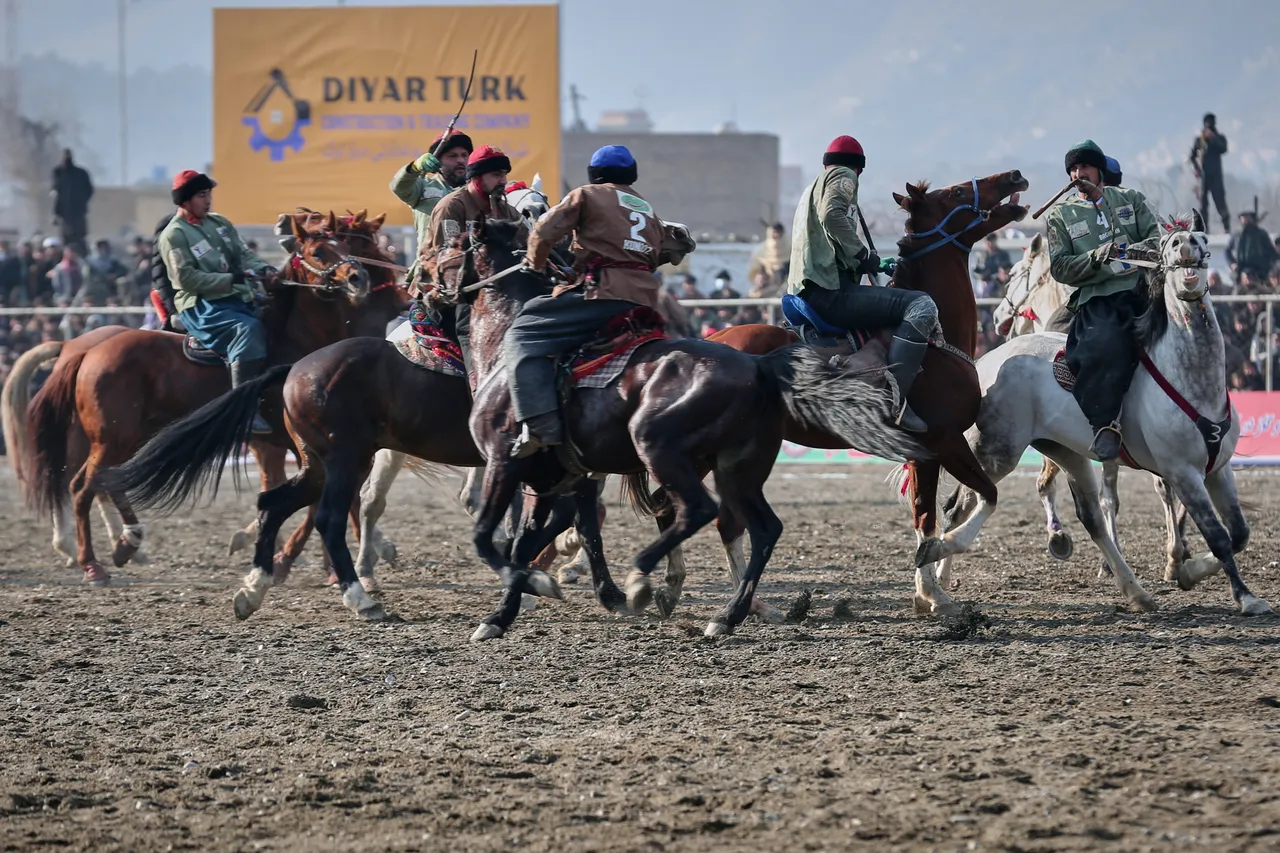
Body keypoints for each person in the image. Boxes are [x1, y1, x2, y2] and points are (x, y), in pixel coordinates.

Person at [503, 145, 694, 457]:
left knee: (523, 332)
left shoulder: (586, 195)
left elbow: (544, 231)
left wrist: (533, 263)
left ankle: (541, 425)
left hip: (602, 294)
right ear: (631, 175)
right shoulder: (644, 207)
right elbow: (664, 250)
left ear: (594, 174)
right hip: (644, 301)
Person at [787, 135, 936, 432]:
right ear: (859, 169)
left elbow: (828, 240)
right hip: (830, 293)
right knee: (921, 305)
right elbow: (833, 216)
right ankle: (896, 403)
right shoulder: (843, 176)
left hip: (811, 288)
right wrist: (862, 253)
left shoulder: (811, 188)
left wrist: (872, 263)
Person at [1045, 140, 1161, 461]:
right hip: (1098, 302)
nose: (1078, 174)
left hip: (1141, 292)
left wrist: (1131, 251)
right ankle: (1105, 425)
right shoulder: (1060, 216)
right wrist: (1097, 257)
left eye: (1084, 167)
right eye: (1073, 169)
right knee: (1105, 345)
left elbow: (1155, 237)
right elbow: (1061, 267)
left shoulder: (1131, 199)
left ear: (1099, 171)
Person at [158, 169, 276, 433]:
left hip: (236, 298)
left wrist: (265, 269)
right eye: (202, 195)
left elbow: (243, 255)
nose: (209, 200)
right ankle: (243, 411)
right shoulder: (174, 235)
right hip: (201, 306)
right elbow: (186, 279)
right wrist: (230, 279)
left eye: (209, 193)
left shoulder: (219, 223)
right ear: (186, 200)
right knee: (247, 330)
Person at [419, 145, 526, 372]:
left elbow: (528, 245)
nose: (503, 180)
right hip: (449, 292)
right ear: (477, 177)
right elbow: (445, 260)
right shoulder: (452, 206)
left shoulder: (507, 211)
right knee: (469, 325)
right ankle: (478, 386)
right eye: (496, 175)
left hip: (493, 291)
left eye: (504, 174)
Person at [389, 129, 474, 290]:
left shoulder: (474, 192)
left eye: (464, 155)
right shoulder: (423, 186)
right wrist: (414, 167)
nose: (461, 160)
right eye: (452, 156)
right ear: (437, 160)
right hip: (429, 277)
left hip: (470, 276)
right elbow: (398, 187)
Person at [1189, 113, 1230, 234]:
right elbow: (1192, 156)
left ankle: (1227, 228)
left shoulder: (1220, 138)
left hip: (1216, 176)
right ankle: (1204, 230)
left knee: (1220, 202)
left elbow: (1223, 149)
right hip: (1203, 177)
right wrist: (1196, 168)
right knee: (1203, 206)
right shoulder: (1199, 140)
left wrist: (1213, 138)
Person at [51, 149, 94, 255]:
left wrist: (81, 202)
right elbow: (55, 192)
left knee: (79, 237)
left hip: (78, 212)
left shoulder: (81, 173)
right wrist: (56, 213)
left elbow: (89, 190)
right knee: (66, 238)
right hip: (64, 213)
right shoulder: (58, 172)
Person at [1225, 210, 1277, 287]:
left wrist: (1270, 267)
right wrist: (1232, 263)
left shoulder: (1261, 234)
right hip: (1241, 269)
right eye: (1243, 218)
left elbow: (1271, 251)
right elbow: (1227, 251)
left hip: (1259, 270)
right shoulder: (1236, 235)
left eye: (1247, 217)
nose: (1245, 220)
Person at [747, 223, 790, 298]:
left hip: (785, 290)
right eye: (774, 233)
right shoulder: (760, 251)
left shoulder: (791, 249)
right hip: (765, 290)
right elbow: (754, 274)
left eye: (779, 233)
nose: (776, 236)